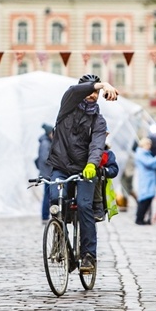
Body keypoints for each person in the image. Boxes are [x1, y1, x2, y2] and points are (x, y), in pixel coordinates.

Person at [46, 74, 118, 273]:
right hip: (60, 165)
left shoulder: (99, 121)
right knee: (56, 200)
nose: (93, 95)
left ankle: (88, 256)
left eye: (96, 92)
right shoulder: (67, 105)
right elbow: (73, 90)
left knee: (85, 206)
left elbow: (97, 145)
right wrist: (102, 85)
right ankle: (63, 244)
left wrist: (92, 165)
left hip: (85, 169)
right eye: (90, 90)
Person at [92, 132, 119, 222]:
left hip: (98, 190)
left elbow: (113, 170)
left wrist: (103, 171)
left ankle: (98, 207)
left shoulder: (107, 153)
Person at [134, 137, 156, 225]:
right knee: (144, 200)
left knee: (148, 199)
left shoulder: (147, 153)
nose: (149, 146)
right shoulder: (141, 153)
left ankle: (143, 218)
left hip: (149, 178)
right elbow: (148, 163)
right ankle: (139, 219)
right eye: (148, 144)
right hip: (145, 179)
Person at [36, 123, 54, 222]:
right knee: (48, 196)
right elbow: (44, 158)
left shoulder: (46, 142)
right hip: (47, 174)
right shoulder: (45, 143)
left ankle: (46, 215)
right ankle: (45, 216)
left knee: (49, 195)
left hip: (47, 173)